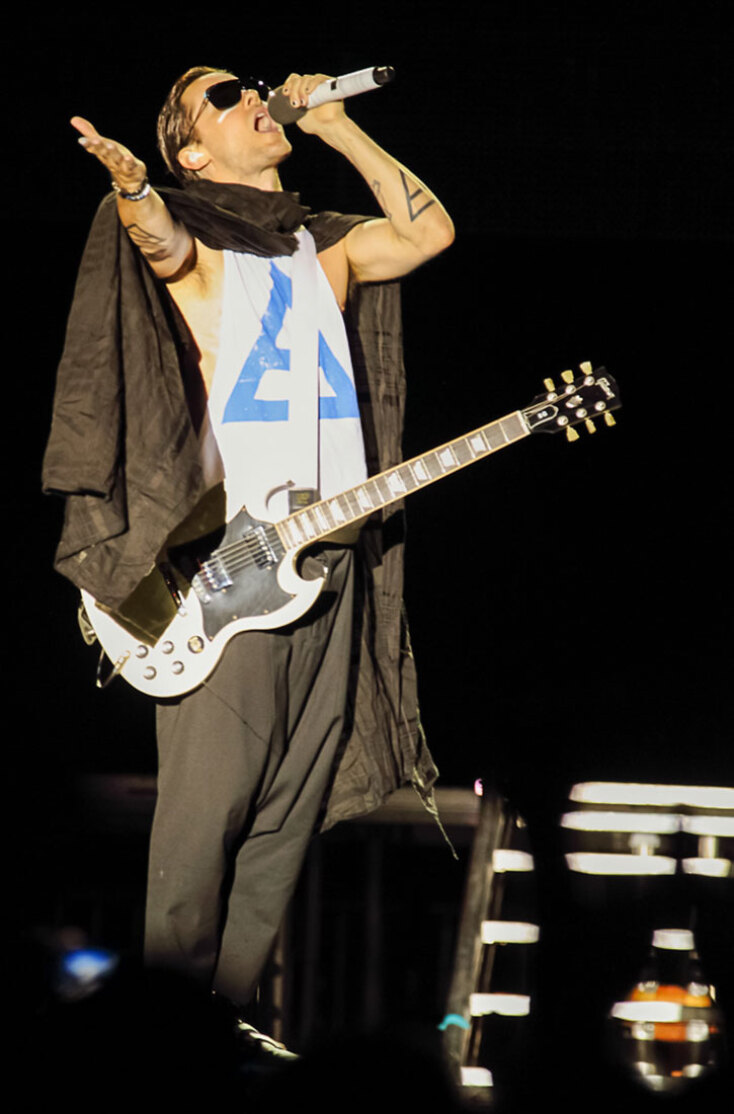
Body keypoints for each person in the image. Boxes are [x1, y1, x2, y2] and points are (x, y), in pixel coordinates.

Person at [43, 66, 454, 1024]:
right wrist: (135, 188)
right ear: (191, 152)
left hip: (333, 551)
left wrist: (337, 126)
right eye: (222, 96)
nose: (252, 98)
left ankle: (225, 1021)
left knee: (288, 814)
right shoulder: (205, 244)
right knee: (210, 811)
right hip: (237, 561)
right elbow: (161, 242)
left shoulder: (324, 247)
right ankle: (160, 1031)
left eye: (251, 85)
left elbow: (428, 234)